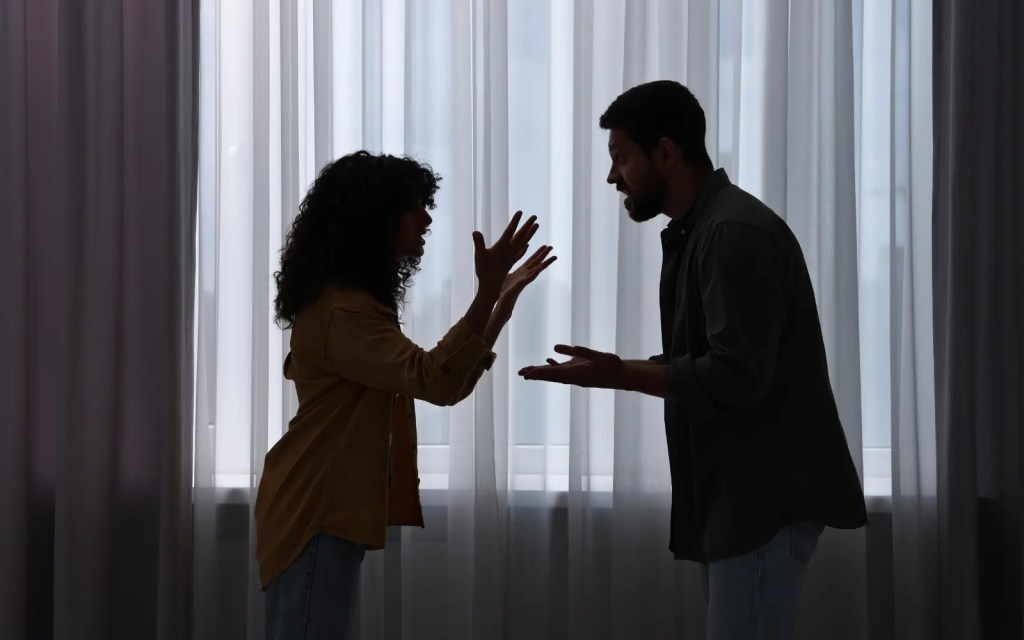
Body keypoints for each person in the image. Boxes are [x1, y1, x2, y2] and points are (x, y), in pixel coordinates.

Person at [519, 80, 867, 640]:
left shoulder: (730, 233)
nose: (613, 177)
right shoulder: (705, 229)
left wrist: (621, 375)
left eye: (620, 157)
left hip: (762, 503)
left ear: (665, 153)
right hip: (743, 503)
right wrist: (615, 371)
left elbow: (736, 376)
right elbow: (717, 360)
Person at [256, 150, 556, 640]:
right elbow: (434, 379)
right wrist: (486, 294)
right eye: (414, 206)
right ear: (374, 217)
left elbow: (446, 384)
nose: (427, 218)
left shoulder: (350, 305)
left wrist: (497, 303)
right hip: (314, 509)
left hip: (321, 509)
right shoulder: (342, 313)